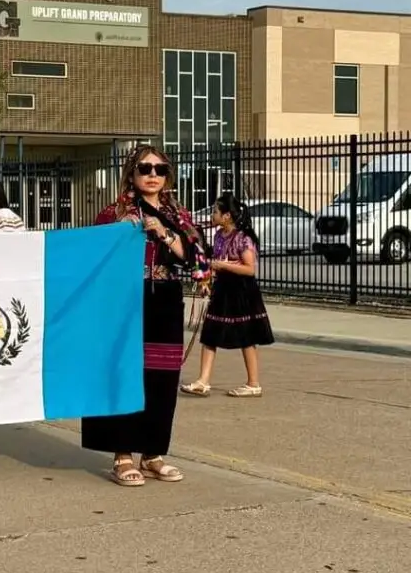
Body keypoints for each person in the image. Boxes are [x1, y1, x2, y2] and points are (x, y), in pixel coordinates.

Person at [80, 145, 210, 487]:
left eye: (160, 169)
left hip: (165, 300)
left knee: (162, 378)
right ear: (131, 173)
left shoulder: (179, 215)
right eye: (145, 168)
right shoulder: (114, 212)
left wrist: (164, 233)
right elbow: (92, 256)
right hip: (123, 301)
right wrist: (120, 232)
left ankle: (152, 453)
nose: (152, 175)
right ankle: (122, 454)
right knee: (125, 373)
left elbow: (198, 261)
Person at [181, 194, 274, 398]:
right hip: (222, 289)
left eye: (215, 211)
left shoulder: (243, 238)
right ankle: (203, 381)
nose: (212, 214)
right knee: (210, 333)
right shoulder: (218, 235)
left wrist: (222, 265)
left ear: (227, 216)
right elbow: (216, 261)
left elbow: (250, 269)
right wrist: (206, 280)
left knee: (246, 336)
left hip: (241, 291)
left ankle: (253, 383)